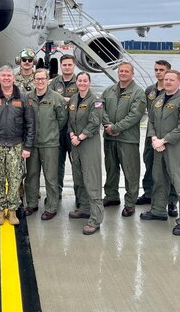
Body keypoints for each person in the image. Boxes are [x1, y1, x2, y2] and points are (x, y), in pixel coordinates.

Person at [141, 70, 180, 236]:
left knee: (179, 182)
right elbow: (151, 120)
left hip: (175, 147)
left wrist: (164, 141)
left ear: (179, 82)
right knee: (159, 179)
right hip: (158, 146)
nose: (168, 82)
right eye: (166, 79)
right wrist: (155, 138)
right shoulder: (158, 99)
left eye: (172, 80)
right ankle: (158, 210)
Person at [0, 65, 35, 226]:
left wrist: (27, 147)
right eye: (3, 76)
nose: (6, 78)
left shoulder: (23, 97)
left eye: (9, 76)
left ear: (13, 78)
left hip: (16, 144)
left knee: (15, 178)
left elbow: (30, 124)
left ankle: (12, 210)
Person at [101, 62, 146, 217]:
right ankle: (112, 196)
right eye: (121, 71)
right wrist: (108, 125)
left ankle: (130, 203)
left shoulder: (138, 93)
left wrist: (116, 128)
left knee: (130, 172)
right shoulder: (109, 90)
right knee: (111, 169)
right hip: (109, 138)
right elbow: (101, 109)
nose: (123, 73)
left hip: (128, 139)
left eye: (126, 71)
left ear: (132, 74)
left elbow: (135, 115)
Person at [137, 60, 179, 217]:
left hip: (167, 137)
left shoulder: (172, 91)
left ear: (168, 71)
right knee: (149, 162)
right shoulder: (150, 91)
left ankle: (172, 201)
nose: (158, 72)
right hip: (152, 134)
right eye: (156, 69)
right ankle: (148, 193)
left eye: (162, 70)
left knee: (170, 169)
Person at [25, 68, 67, 220]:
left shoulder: (57, 98)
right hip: (33, 144)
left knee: (51, 176)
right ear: (33, 80)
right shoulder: (28, 98)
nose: (40, 81)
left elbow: (62, 120)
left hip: (50, 144)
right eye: (37, 79)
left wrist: (52, 132)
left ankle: (51, 206)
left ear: (47, 80)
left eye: (43, 79)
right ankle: (31, 203)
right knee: (31, 175)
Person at [67, 72, 104, 235]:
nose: (82, 83)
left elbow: (95, 122)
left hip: (88, 143)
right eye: (79, 80)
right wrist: (72, 135)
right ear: (76, 82)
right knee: (79, 178)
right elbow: (69, 121)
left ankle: (96, 219)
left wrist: (80, 137)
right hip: (76, 143)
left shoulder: (95, 100)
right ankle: (84, 208)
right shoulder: (74, 99)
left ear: (89, 82)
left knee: (91, 180)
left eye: (85, 81)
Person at [49, 54, 78, 200]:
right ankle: (56, 193)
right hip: (58, 130)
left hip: (74, 131)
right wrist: (67, 100)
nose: (67, 67)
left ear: (74, 66)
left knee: (77, 165)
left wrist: (63, 100)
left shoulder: (79, 81)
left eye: (69, 65)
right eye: (64, 65)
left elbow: (81, 100)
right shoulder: (54, 82)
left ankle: (80, 197)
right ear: (61, 66)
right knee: (57, 165)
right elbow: (50, 100)